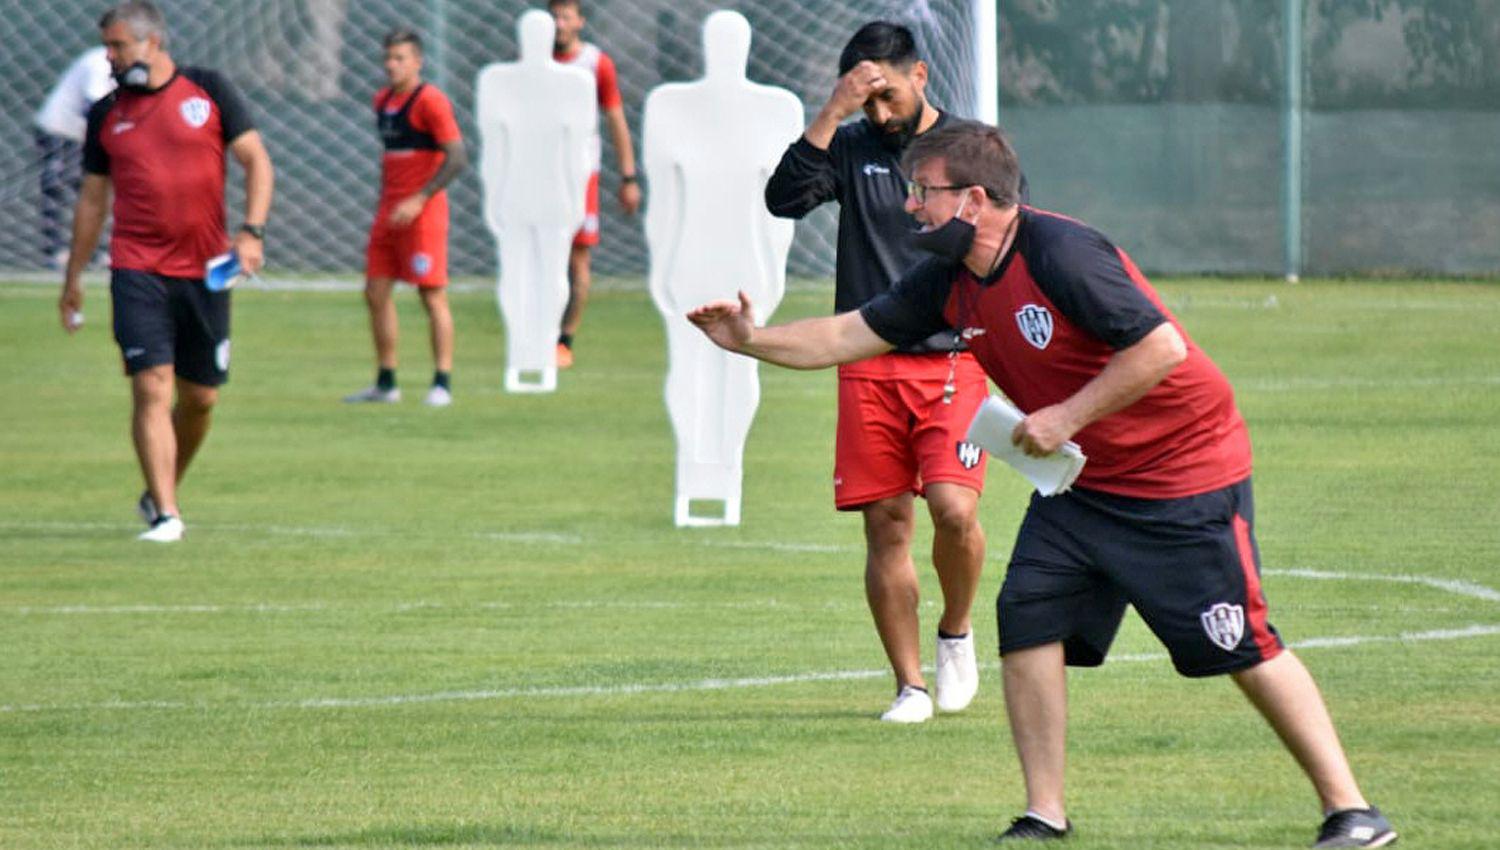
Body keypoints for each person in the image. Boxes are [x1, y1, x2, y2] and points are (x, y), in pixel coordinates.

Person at [687, 121, 1396, 848]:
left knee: (1239, 643)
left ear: (973, 200)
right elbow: (849, 335)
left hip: (1180, 473)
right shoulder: (950, 278)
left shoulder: (1060, 251)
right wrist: (751, 340)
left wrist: (1066, 414)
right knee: (1028, 617)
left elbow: (1161, 347)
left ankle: (1353, 812)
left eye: (921, 193)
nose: (908, 208)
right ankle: (1044, 816)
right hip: (1084, 487)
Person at [761, 21, 988, 724]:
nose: (879, 113)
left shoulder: (971, 149)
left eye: (887, 95)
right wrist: (831, 112)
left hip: (954, 356)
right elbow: (784, 200)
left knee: (953, 510)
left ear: (920, 76)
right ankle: (911, 686)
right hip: (866, 359)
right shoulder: (850, 141)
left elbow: (1004, 237)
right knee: (887, 525)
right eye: (866, 101)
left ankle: (956, 632)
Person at [57, 1, 274, 543]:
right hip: (136, 267)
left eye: (118, 45)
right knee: (151, 385)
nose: (109, 57)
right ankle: (168, 515)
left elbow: (256, 161)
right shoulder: (106, 112)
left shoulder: (210, 89)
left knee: (200, 399)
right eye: (107, 46)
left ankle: (160, 491)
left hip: (204, 271)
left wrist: (252, 231)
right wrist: (73, 278)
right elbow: (92, 200)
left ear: (153, 42)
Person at [344, 27, 467, 407]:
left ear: (418, 61)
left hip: (423, 214)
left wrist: (420, 198)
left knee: (432, 295)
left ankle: (442, 382)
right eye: (388, 58)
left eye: (400, 59)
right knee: (375, 292)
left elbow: (457, 157)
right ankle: (386, 381)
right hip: (389, 213)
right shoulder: (382, 101)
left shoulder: (430, 101)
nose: (391, 66)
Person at [548, 0, 641, 368]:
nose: (559, 22)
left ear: (579, 21)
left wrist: (628, 176)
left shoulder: (595, 64)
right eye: (554, 15)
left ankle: (564, 341)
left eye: (565, 15)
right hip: (540, 176)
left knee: (577, 262)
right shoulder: (535, 62)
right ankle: (537, 333)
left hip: (581, 175)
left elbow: (615, 119)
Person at [33, 46, 115, 269]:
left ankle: (98, 251)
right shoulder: (99, 64)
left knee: (95, 190)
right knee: (56, 187)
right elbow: (94, 108)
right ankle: (55, 251)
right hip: (58, 129)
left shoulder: (136, 67)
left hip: (85, 134)